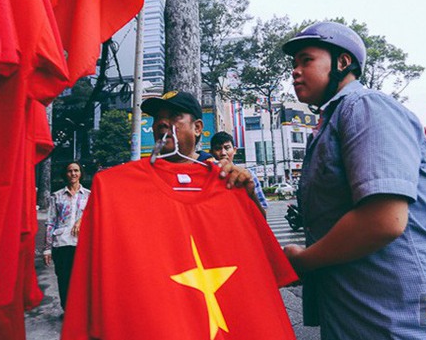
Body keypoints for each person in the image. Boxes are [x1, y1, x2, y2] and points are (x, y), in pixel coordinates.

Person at [280, 21, 426, 340]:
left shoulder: (365, 107)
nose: (295, 71)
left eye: (306, 60)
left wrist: (304, 261)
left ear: (343, 62)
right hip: (364, 317)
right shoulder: (330, 123)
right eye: (294, 64)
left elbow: (384, 220)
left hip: (409, 319)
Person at [61, 91, 297, 339]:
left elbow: (260, 263)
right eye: (157, 118)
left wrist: (246, 197)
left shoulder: (230, 181)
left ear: (197, 128)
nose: (162, 123)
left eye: (174, 116)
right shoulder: (115, 188)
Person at [43, 162, 90, 312]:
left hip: (82, 244)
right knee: (64, 279)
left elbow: (95, 216)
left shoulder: (89, 195)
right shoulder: (56, 196)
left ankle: (81, 311)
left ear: (81, 173)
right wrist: (47, 249)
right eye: (70, 171)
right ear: (66, 174)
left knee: (83, 280)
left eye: (76, 170)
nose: (73, 174)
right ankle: (68, 311)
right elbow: (50, 222)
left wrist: (81, 220)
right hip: (61, 243)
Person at [210, 131, 269, 210]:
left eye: (227, 148)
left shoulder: (248, 175)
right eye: (218, 149)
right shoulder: (207, 176)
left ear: (234, 150)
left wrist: (251, 193)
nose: (223, 153)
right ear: (211, 152)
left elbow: (262, 214)